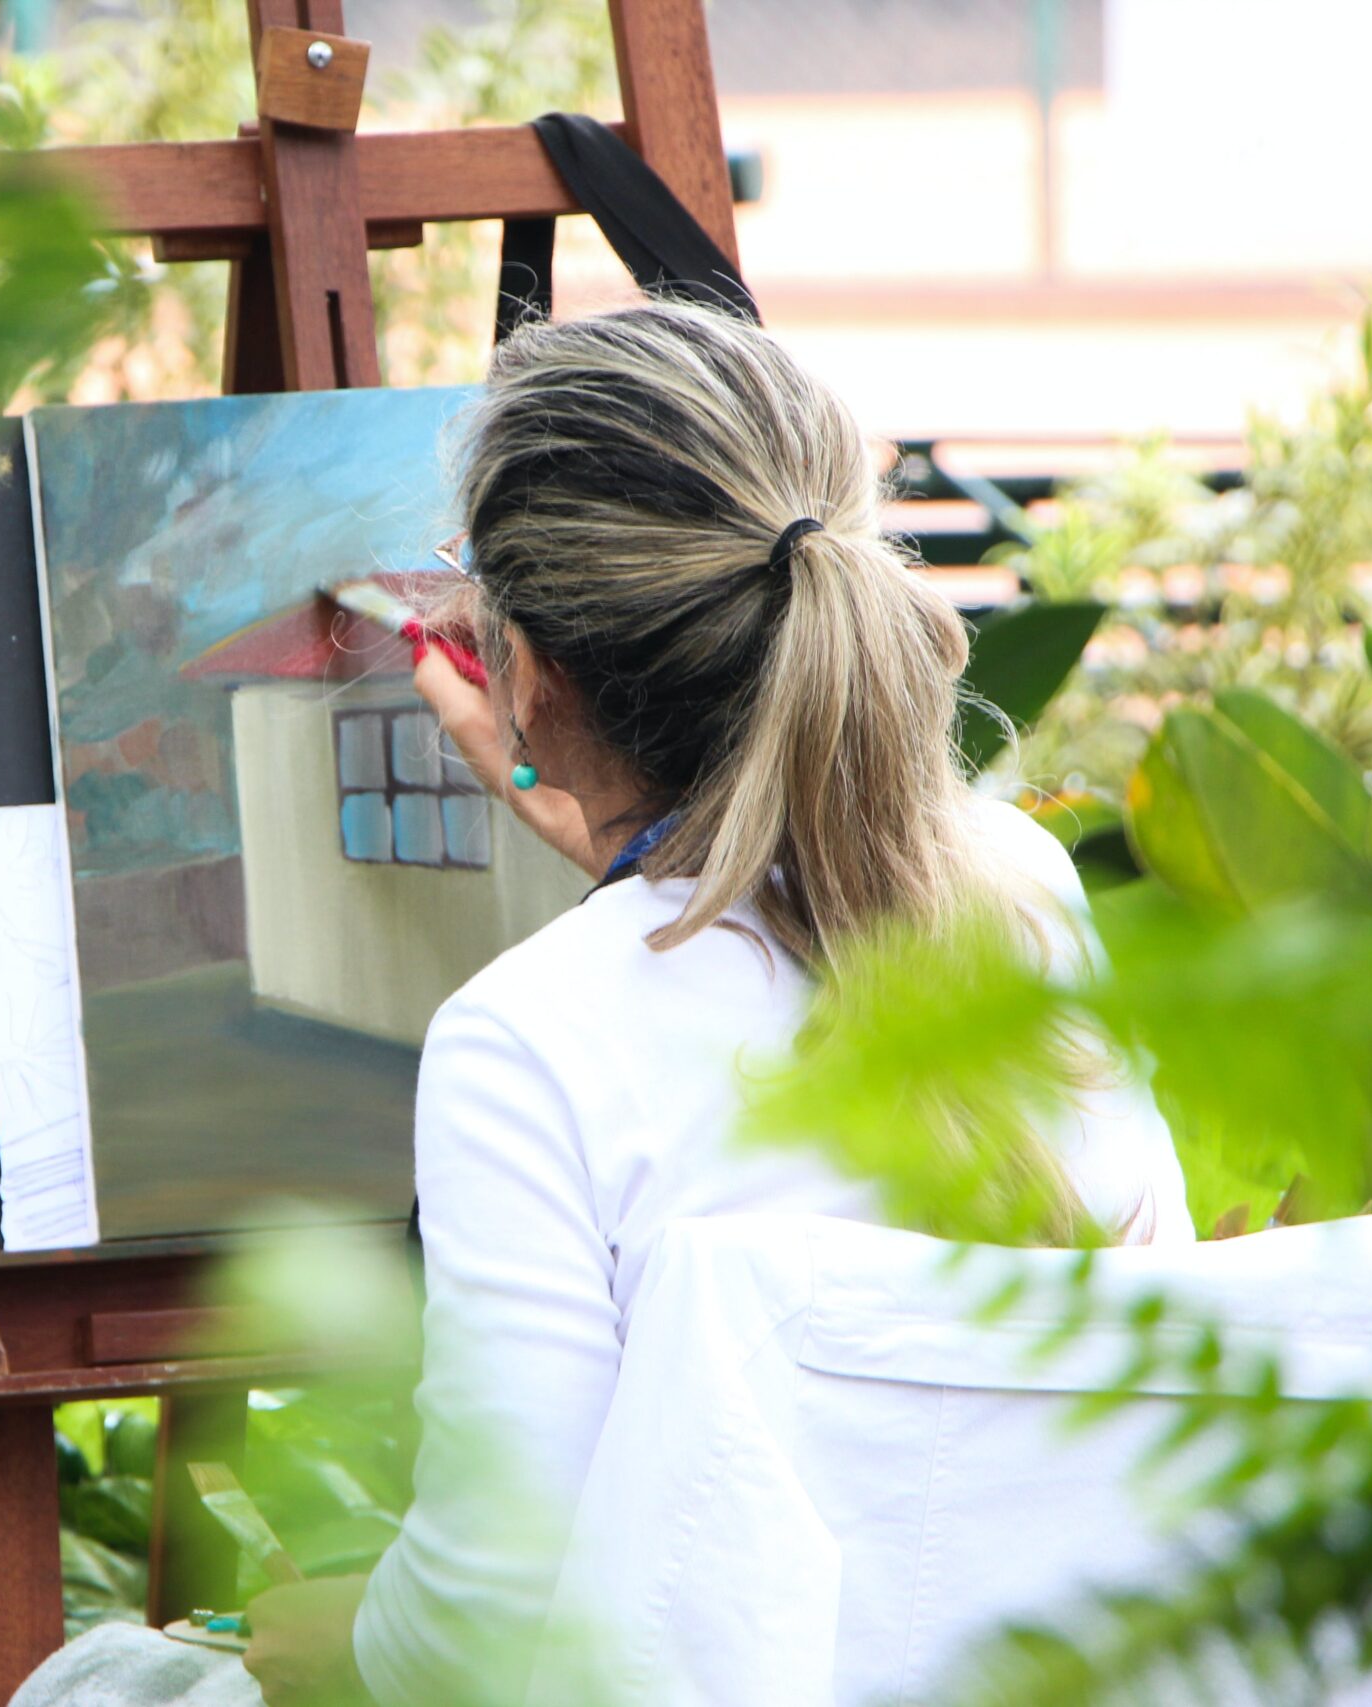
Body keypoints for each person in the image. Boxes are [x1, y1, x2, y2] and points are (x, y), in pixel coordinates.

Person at [237, 303, 1195, 1707]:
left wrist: (348, 1644)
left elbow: (498, 1605)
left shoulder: (528, 1040)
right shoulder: (1027, 889)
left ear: (536, 679)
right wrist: (656, 878)